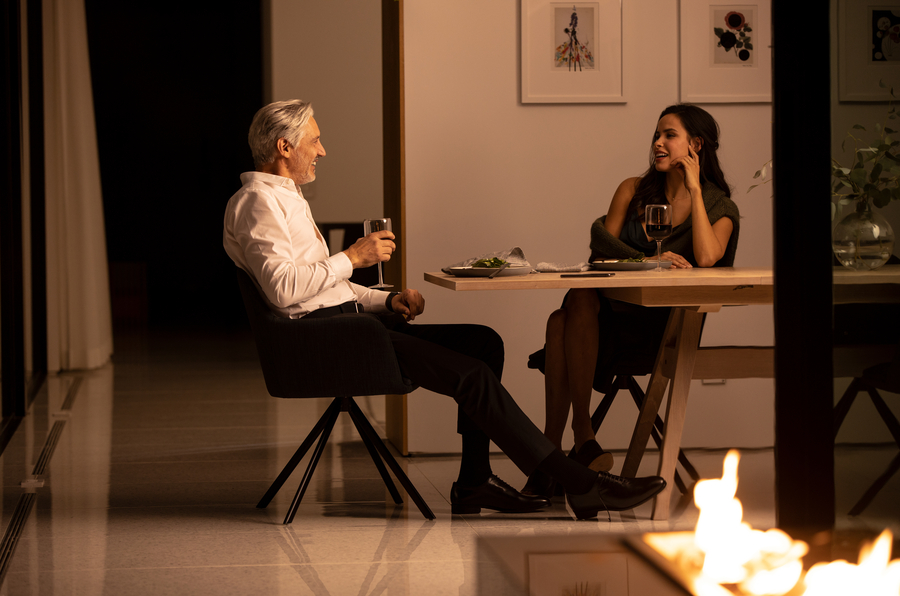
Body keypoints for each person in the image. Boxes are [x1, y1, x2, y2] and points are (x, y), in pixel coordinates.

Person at [223, 99, 667, 520]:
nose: (322, 149)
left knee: (482, 343)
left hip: (348, 326)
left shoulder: (286, 197)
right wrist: (354, 257)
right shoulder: (257, 203)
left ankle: (474, 481)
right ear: (285, 147)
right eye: (313, 141)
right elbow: (283, 290)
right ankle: (579, 482)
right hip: (324, 341)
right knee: (468, 375)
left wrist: (385, 300)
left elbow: (324, 287)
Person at [523, 104, 740, 498]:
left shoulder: (719, 206)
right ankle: (577, 440)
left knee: (561, 320)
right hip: (603, 324)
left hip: (662, 329)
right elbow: (600, 249)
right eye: (656, 135)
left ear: (696, 146)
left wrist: (694, 188)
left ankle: (553, 454)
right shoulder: (632, 190)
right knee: (574, 303)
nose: (657, 143)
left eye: (668, 135)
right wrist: (647, 262)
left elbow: (708, 257)